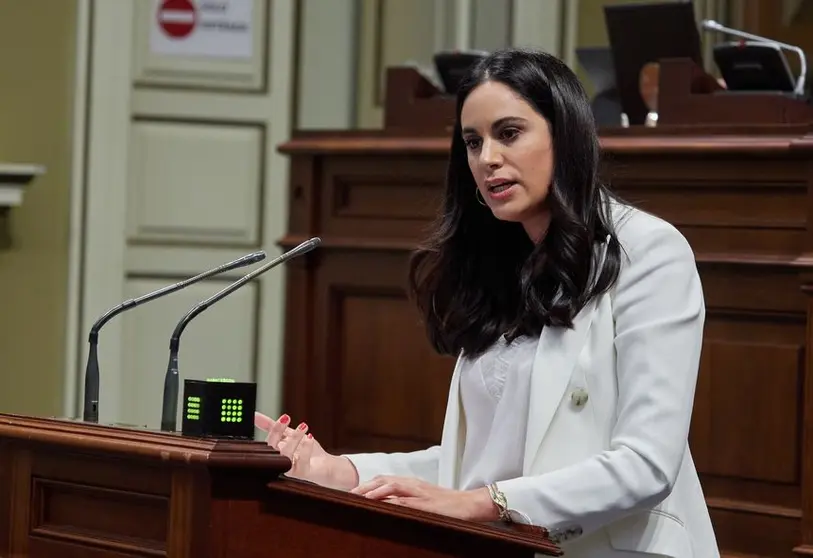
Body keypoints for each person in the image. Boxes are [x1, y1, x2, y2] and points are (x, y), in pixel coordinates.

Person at [255, 47, 718, 557]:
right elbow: (476, 470)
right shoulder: (503, 268)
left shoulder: (648, 251)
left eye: (510, 133)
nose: (487, 158)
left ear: (564, 135)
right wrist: (341, 471)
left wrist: (486, 503)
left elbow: (646, 464)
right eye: (473, 142)